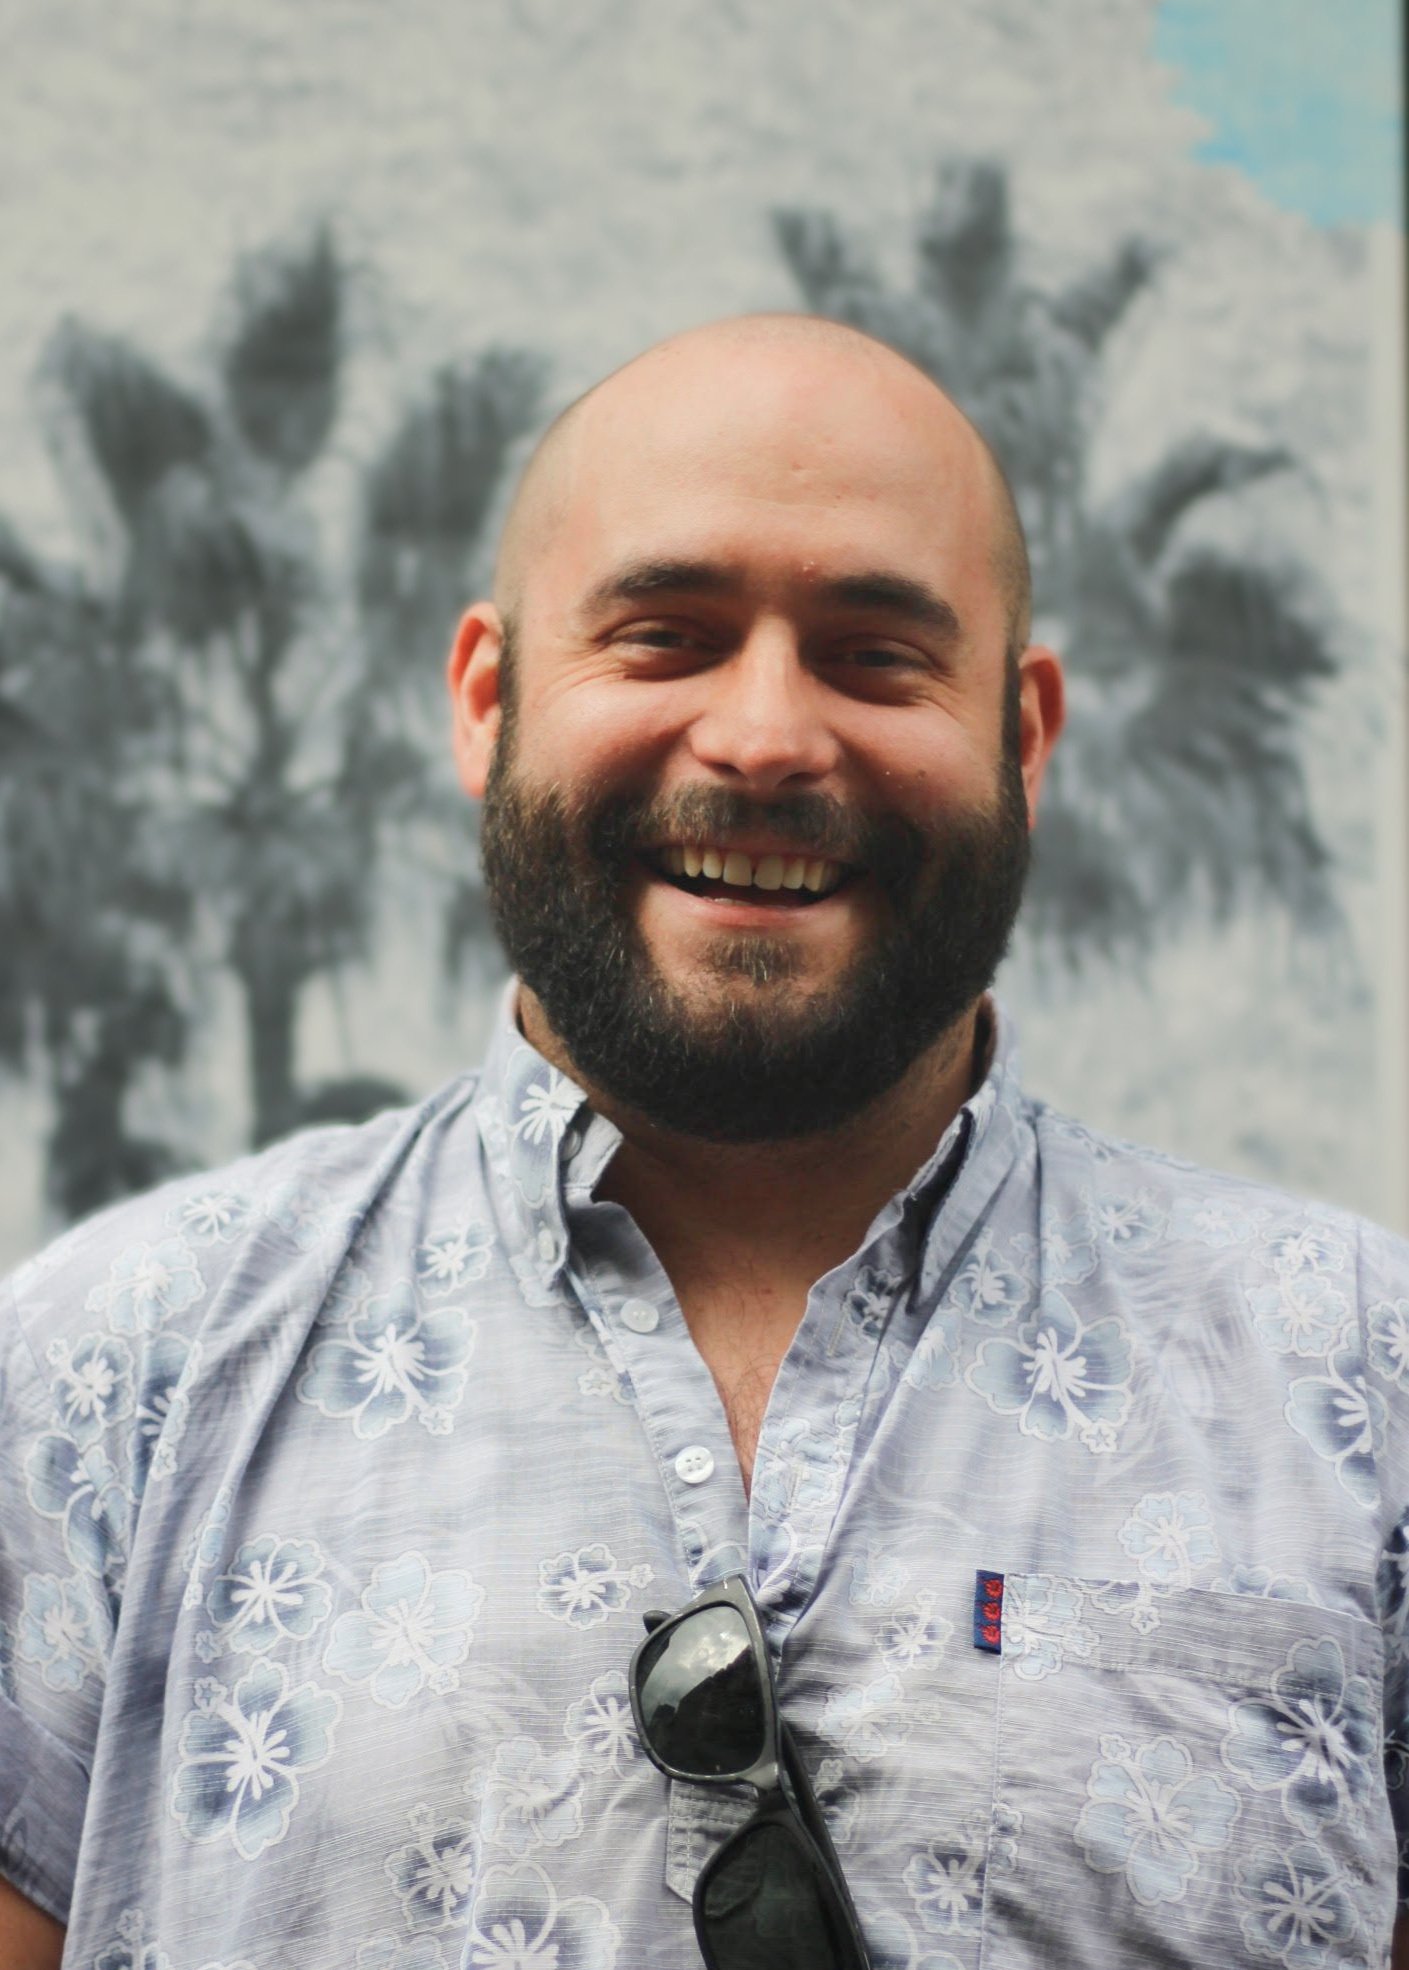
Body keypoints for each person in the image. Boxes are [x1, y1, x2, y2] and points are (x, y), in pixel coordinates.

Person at [1, 313, 1405, 1970]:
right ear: (488, 700)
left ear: (1022, 735)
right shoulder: (109, 1375)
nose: (763, 736)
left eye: (874, 655)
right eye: (664, 637)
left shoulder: (1354, 1373)